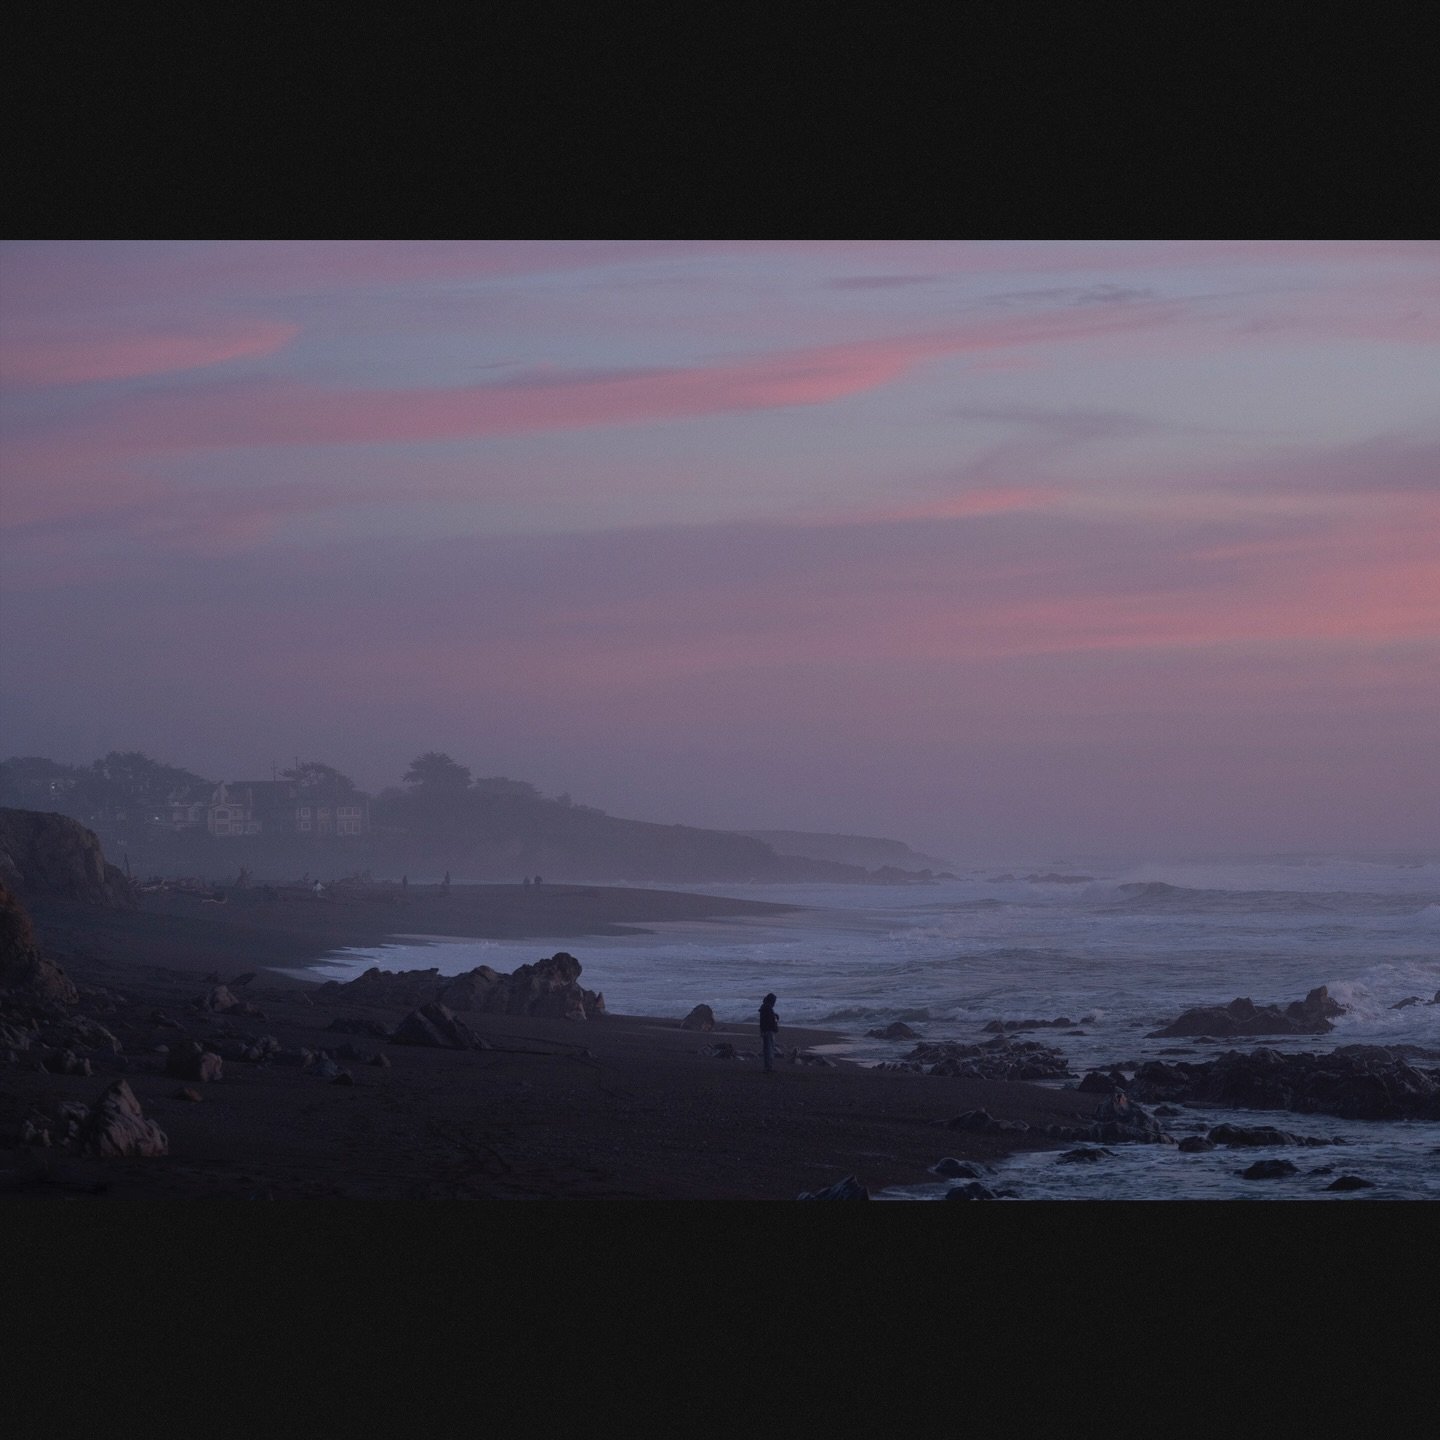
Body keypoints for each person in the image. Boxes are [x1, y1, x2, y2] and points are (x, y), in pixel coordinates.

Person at [759, 993, 779, 1073]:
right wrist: (775, 1025)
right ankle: (768, 1067)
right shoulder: (768, 1008)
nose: (774, 1003)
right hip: (768, 1031)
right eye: (774, 1001)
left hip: (766, 1030)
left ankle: (768, 1067)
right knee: (769, 1049)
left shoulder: (765, 1007)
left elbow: (764, 1020)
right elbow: (770, 1021)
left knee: (767, 1049)